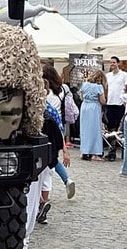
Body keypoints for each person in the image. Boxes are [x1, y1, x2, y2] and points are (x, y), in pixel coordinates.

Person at [41, 65, 75, 198]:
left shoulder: (46, 92)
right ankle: (66, 179)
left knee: (48, 161)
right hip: (59, 124)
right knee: (53, 158)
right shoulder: (63, 89)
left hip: (47, 125)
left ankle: (43, 197)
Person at [35, 103, 67, 225]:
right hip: (50, 154)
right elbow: (59, 134)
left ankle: (41, 204)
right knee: (46, 182)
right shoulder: (51, 112)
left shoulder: (32, 113)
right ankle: (43, 208)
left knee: (34, 184)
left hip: (38, 153)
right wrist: (62, 149)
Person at [105, 57, 127, 160]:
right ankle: (112, 150)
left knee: (119, 128)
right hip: (110, 103)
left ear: (118, 63)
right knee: (111, 128)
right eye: (111, 63)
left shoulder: (124, 75)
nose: (112, 64)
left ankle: (123, 151)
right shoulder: (108, 76)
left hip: (119, 104)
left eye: (114, 62)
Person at [77, 70, 106, 161]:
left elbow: (81, 97)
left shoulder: (84, 84)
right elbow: (102, 100)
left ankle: (84, 151)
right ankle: (95, 153)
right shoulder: (99, 87)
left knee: (85, 130)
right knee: (95, 130)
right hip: (94, 108)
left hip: (85, 106)